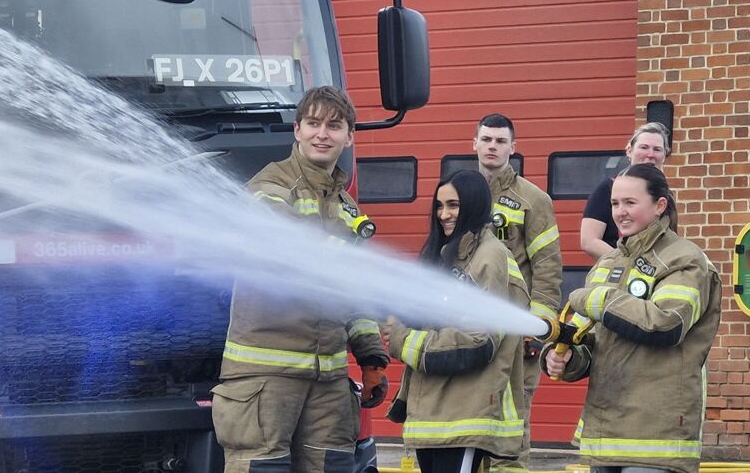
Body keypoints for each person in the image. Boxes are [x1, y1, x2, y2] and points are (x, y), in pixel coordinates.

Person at [211, 86, 390, 473]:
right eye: (313, 124)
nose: (322, 134)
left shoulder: (347, 207)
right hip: (266, 377)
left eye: (334, 125)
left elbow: (353, 291)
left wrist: (371, 356)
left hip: (328, 378)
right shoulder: (269, 186)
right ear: (297, 130)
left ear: (349, 136)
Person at [543, 163, 721, 473]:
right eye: (614, 203)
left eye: (630, 203)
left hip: (656, 438)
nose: (620, 212)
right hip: (607, 437)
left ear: (659, 206)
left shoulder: (685, 259)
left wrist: (598, 299)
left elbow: (665, 323)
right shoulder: (609, 261)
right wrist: (570, 357)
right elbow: (599, 341)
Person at [384, 170, 531, 473]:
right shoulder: (445, 255)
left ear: (475, 205)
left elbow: (479, 340)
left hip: (465, 411)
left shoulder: (490, 257)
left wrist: (403, 340)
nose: (444, 214)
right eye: (439, 206)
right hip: (434, 411)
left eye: (453, 205)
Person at [473, 113, 563, 471]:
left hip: (514, 332)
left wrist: (539, 324)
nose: (492, 146)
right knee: (471, 417)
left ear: (513, 147)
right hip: (471, 329)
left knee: (512, 422)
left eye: (500, 141)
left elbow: (548, 268)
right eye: (486, 139)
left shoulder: (533, 200)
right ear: (474, 144)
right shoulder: (460, 192)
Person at [581, 122, 671, 261]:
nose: (650, 154)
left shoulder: (667, 195)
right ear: (629, 151)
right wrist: (628, 264)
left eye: (657, 149)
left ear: (665, 155)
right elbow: (589, 241)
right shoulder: (608, 188)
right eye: (644, 147)